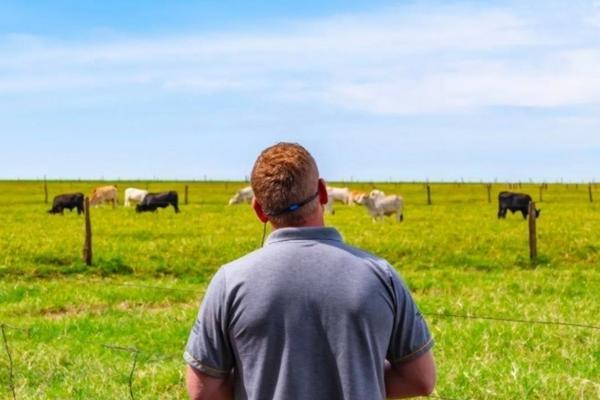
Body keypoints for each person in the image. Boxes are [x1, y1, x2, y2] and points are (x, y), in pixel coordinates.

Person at [184, 143, 436, 400]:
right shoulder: (382, 276)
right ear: (324, 193)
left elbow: (203, 391)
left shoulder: (229, 282)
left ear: (259, 210)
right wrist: (360, 376)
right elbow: (421, 380)